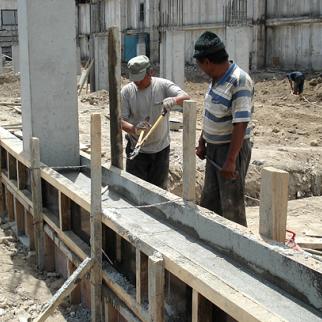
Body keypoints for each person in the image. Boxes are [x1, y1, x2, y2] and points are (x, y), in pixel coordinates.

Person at [194, 31, 254, 227]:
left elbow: (240, 123)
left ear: (208, 62)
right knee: (210, 202)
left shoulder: (239, 80)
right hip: (214, 150)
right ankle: (213, 244)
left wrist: (230, 161)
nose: (200, 69)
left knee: (231, 206)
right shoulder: (216, 79)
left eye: (200, 64)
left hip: (231, 150)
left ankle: (238, 251)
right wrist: (203, 140)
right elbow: (212, 111)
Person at [121, 55, 190, 189]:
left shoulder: (163, 85)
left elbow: (186, 97)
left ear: (150, 72)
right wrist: (135, 129)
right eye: (134, 79)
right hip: (137, 150)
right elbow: (120, 121)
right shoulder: (127, 92)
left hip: (160, 151)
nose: (137, 83)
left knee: (158, 191)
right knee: (134, 191)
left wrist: (174, 100)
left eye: (140, 79)